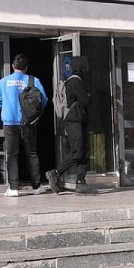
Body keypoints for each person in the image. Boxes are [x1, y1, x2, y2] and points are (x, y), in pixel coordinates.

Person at [0, 54, 48, 196]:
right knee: (32, 154)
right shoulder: (33, 80)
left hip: (10, 123)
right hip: (28, 122)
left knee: (12, 155)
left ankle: (13, 188)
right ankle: (36, 186)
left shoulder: (4, 82)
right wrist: (33, 113)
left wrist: (8, 105)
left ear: (13, 66)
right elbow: (44, 100)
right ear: (26, 68)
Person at [48, 55, 92, 193]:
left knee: (84, 152)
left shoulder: (75, 81)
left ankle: (80, 181)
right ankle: (55, 172)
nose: (87, 68)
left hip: (78, 121)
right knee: (77, 152)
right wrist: (88, 96)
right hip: (74, 121)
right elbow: (85, 101)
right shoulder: (75, 81)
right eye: (85, 66)